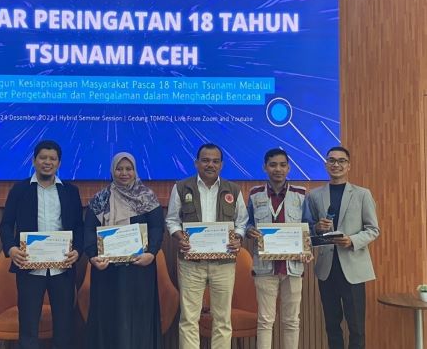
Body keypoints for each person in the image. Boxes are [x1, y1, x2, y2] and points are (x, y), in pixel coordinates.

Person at [0, 140, 83, 349]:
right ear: (34, 160)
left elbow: (78, 227)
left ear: (59, 163)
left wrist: (77, 251)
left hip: (62, 268)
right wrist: (11, 249)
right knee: (28, 326)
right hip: (29, 268)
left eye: (52, 159)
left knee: (64, 326)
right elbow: (6, 225)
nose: (47, 162)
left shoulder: (70, 191)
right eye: (43, 158)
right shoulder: (19, 190)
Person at [165, 143, 248, 349]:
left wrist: (238, 237)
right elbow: (172, 220)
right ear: (196, 163)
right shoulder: (181, 187)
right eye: (205, 160)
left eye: (215, 161)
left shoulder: (233, 189)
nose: (210, 165)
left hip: (224, 263)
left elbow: (242, 222)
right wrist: (179, 237)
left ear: (221, 165)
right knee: (189, 319)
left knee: (222, 319)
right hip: (191, 263)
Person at [84, 152, 164, 349]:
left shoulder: (147, 197)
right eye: (119, 169)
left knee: (139, 316)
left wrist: (151, 253)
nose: (124, 173)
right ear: (112, 171)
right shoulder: (100, 199)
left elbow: (156, 227)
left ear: (135, 171)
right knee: (108, 315)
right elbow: (89, 230)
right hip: (107, 270)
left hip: (139, 269)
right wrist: (93, 256)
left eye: (129, 169)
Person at [308, 146, 380, 349]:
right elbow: (309, 231)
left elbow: (373, 229)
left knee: (356, 327)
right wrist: (317, 227)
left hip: (353, 268)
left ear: (349, 166)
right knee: (332, 325)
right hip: (327, 269)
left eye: (341, 161)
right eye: (331, 160)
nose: (336, 164)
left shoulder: (362, 194)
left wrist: (352, 240)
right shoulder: (314, 196)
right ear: (326, 164)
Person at [245, 148, 314, 349]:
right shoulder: (255, 194)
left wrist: (307, 249)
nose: (278, 169)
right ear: (265, 167)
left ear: (288, 168)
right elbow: (247, 223)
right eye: (273, 165)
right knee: (265, 320)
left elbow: (308, 226)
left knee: (291, 321)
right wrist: (249, 231)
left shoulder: (300, 194)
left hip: (293, 266)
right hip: (265, 267)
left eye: (283, 165)